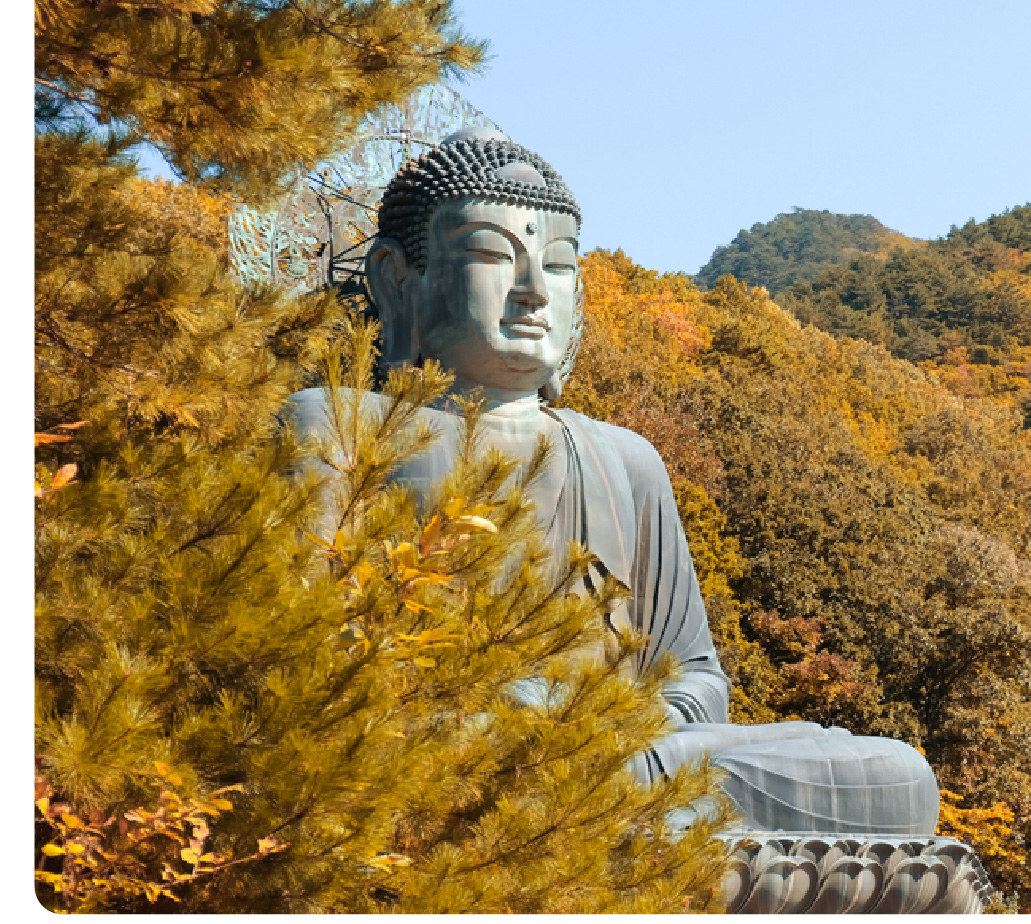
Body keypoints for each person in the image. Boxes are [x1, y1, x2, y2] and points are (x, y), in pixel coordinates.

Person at [284, 129, 938, 836]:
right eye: (488, 255)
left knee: (897, 775)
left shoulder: (625, 458)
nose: (532, 291)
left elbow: (697, 677)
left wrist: (619, 721)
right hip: (452, 757)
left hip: (624, 754)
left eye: (558, 266)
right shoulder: (338, 425)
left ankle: (641, 818)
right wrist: (501, 707)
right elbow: (307, 657)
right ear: (394, 278)